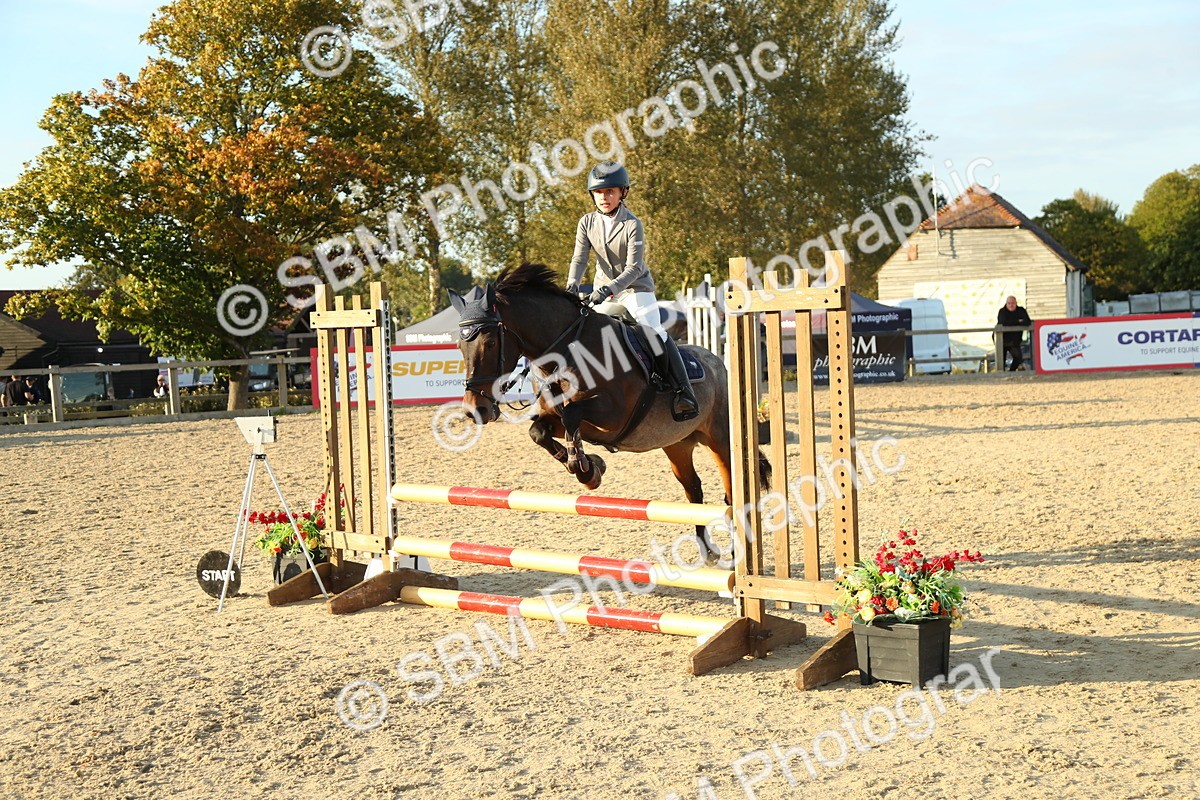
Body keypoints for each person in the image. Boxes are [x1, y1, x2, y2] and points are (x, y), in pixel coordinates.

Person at [565, 161, 699, 421]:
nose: (604, 198)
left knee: (652, 329)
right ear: (592, 194)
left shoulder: (632, 224)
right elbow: (579, 258)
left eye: (610, 192)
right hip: (604, 289)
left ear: (622, 193)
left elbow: (634, 268)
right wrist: (572, 284)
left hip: (636, 288)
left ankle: (683, 390)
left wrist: (607, 289)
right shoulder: (586, 222)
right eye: (599, 193)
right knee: (585, 328)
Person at [996, 296, 1032, 371]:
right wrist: (1018, 321)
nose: (1011, 305)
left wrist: (1012, 322)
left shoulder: (1021, 310)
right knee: (1001, 360)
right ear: (1006, 304)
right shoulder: (1002, 311)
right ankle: (1002, 376)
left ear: (1016, 303)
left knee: (1018, 358)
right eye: (1009, 303)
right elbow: (1003, 322)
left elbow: (1027, 322)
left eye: (1012, 303)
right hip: (1002, 340)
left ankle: (1011, 372)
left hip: (1014, 341)